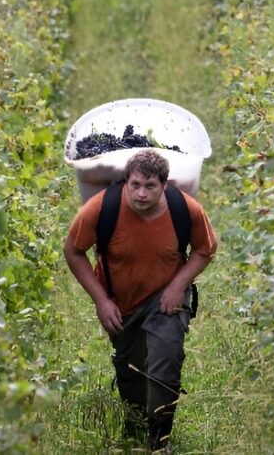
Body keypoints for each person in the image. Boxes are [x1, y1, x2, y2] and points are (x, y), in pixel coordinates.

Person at [64, 150, 218, 453]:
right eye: (135, 185)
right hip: (121, 303)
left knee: (165, 363)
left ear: (164, 186)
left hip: (165, 299)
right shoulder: (102, 208)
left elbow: (205, 249)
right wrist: (100, 300)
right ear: (126, 182)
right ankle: (134, 431)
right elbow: (73, 251)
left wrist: (178, 286)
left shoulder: (185, 209)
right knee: (131, 371)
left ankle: (159, 440)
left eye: (150, 186)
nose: (141, 194)